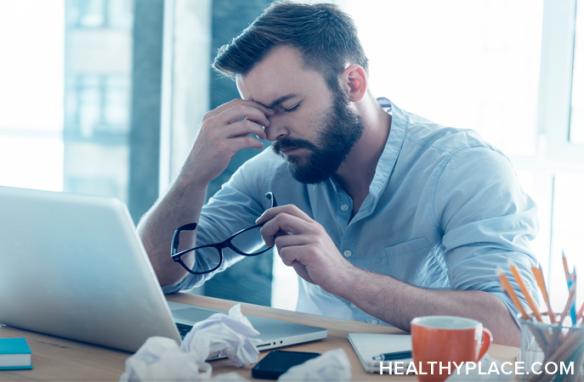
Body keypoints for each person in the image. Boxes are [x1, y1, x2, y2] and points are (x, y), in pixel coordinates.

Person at [138, 2, 538, 346]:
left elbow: (509, 327)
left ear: (353, 83)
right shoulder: (275, 171)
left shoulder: (466, 169)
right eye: (260, 113)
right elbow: (162, 275)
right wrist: (193, 176)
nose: (273, 131)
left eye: (288, 105)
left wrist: (346, 278)